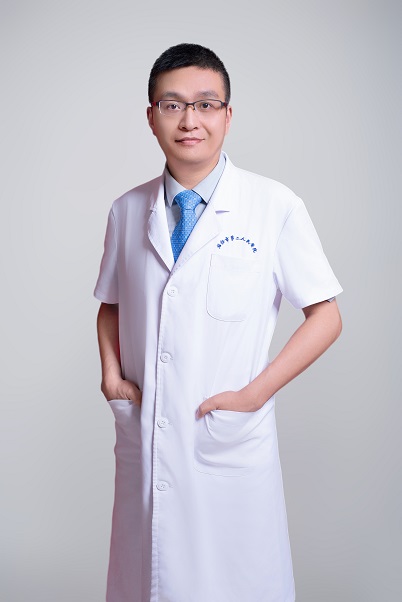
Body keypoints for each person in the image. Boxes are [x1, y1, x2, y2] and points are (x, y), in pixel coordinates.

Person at [94, 42, 343, 602]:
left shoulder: (273, 205)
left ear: (228, 116)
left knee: (236, 581)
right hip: (148, 435)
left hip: (227, 439)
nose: (190, 120)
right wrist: (111, 376)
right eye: (173, 105)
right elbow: (110, 304)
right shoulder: (126, 210)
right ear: (151, 117)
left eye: (206, 104)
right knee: (146, 578)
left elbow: (326, 316)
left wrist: (255, 395)